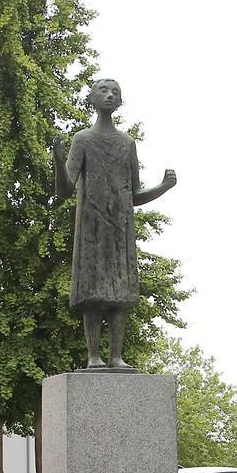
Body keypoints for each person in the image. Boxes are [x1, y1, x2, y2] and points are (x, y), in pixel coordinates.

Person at [52, 78, 176, 370]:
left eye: (115, 92)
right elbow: (66, 188)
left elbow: (135, 194)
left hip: (120, 227)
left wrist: (163, 187)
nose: (109, 95)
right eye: (103, 91)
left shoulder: (126, 143)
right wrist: (58, 159)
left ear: (120, 102)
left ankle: (116, 355)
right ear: (92, 99)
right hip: (92, 225)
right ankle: (93, 355)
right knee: (93, 292)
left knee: (121, 293)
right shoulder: (82, 139)